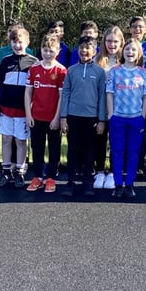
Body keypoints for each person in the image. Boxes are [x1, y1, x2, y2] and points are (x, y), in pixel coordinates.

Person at [60, 35, 107, 197]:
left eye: (88, 48)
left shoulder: (100, 72)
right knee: (72, 150)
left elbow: (102, 97)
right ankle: (70, 182)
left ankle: (87, 182)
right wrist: (63, 117)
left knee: (89, 151)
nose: (84, 51)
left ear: (95, 51)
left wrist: (101, 120)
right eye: (81, 48)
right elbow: (65, 94)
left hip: (92, 118)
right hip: (73, 116)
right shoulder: (71, 70)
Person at [106, 38, 146, 198]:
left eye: (133, 50)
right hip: (118, 117)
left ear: (138, 53)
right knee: (117, 151)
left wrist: (142, 115)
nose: (130, 52)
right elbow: (109, 94)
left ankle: (130, 184)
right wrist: (111, 115)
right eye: (127, 49)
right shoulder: (114, 71)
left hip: (135, 118)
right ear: (123, 52)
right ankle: (118, 184)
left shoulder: (144, 73)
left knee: (133, 152)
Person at [0, 27, 38, 188]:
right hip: (6, 108)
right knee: (6, 139)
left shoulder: (33, 62)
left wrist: (31, 110)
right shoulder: (5, 61)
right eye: (14, 42)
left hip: (23, 110)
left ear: (27, 43)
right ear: (10, 42)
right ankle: (6, 170)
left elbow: (34, 89)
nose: (17, 45)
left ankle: (20, 171)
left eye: (20, 42)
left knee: (20, 141)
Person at [24, 35, 67, 193]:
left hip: (52, 118)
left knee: (54, 148)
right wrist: (28, 114)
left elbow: (62, 96)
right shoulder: (34, 68)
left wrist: (57, 118)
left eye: (51, 50)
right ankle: (37, 177)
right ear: (40, 49)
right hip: (37, 116)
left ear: (58, 51)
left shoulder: (61, 70)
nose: (48, 53)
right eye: (45, 50)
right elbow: (28, 92)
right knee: (37, 147)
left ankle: (50, 178)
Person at [93, 26, 124, 190]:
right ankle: (99, 171)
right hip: (100, 108)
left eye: (115, 41)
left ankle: (113, 172)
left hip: (120, 109)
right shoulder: (97, 61)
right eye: (109, 41)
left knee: (116, 142)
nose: (112, 44)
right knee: (99, 140)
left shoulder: (125, 61)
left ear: (121, 43)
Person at [129, 16, 146, 178]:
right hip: (124, 96)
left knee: (140, 131)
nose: (137, 30)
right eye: (134, 26)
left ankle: (140, 163)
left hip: (142, 98)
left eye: (140, 27)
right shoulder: (125, 47)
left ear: (145, 29)